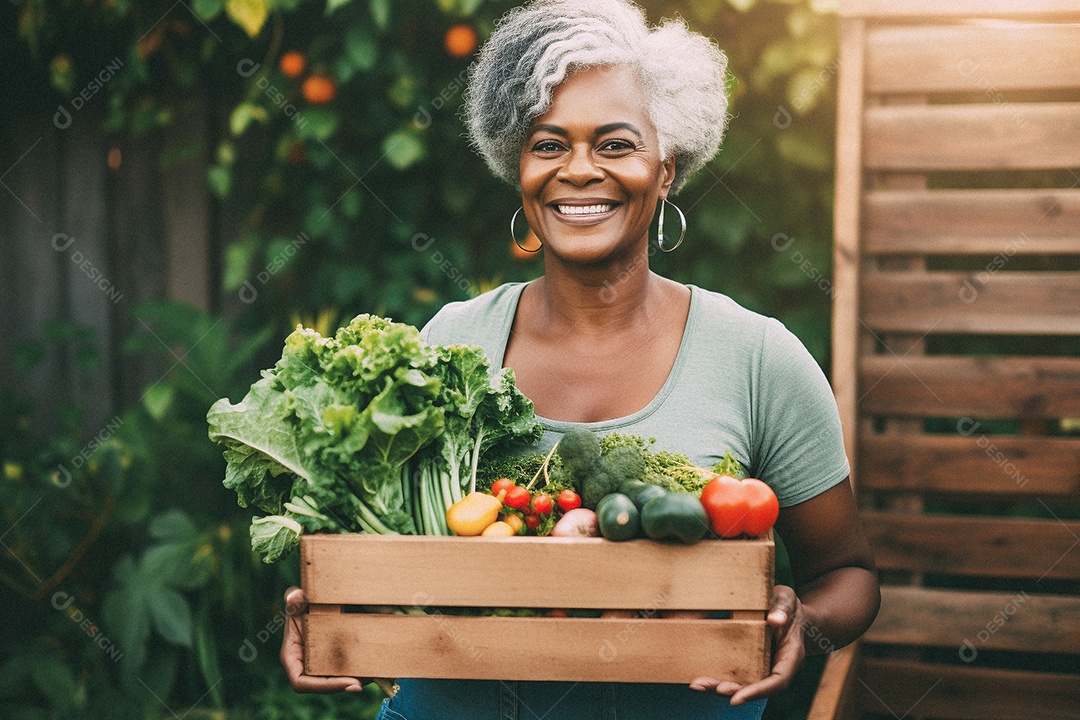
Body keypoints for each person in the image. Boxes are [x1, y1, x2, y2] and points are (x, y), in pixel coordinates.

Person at [280, 1, 880, 718]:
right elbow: (386, 550)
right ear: (519, 168)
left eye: (617, 144)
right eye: (549, 144)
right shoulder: (450, 342)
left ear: (666, 169)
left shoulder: (758, 357)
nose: (579, 171)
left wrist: (802, 626)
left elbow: (847, 574)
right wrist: (328, 604)